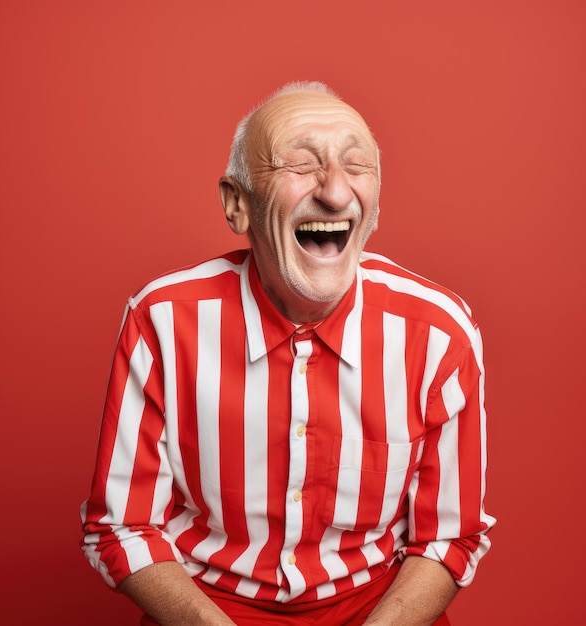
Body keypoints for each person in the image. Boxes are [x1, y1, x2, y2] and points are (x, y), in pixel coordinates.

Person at [81, 81, 496, 625]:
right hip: (206, 611)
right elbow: (122, 527)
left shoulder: (439, 333)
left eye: (356, 165)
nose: (335, 191)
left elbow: (449, 536)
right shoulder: (161, 321)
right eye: (300, 165)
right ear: (237, 204)